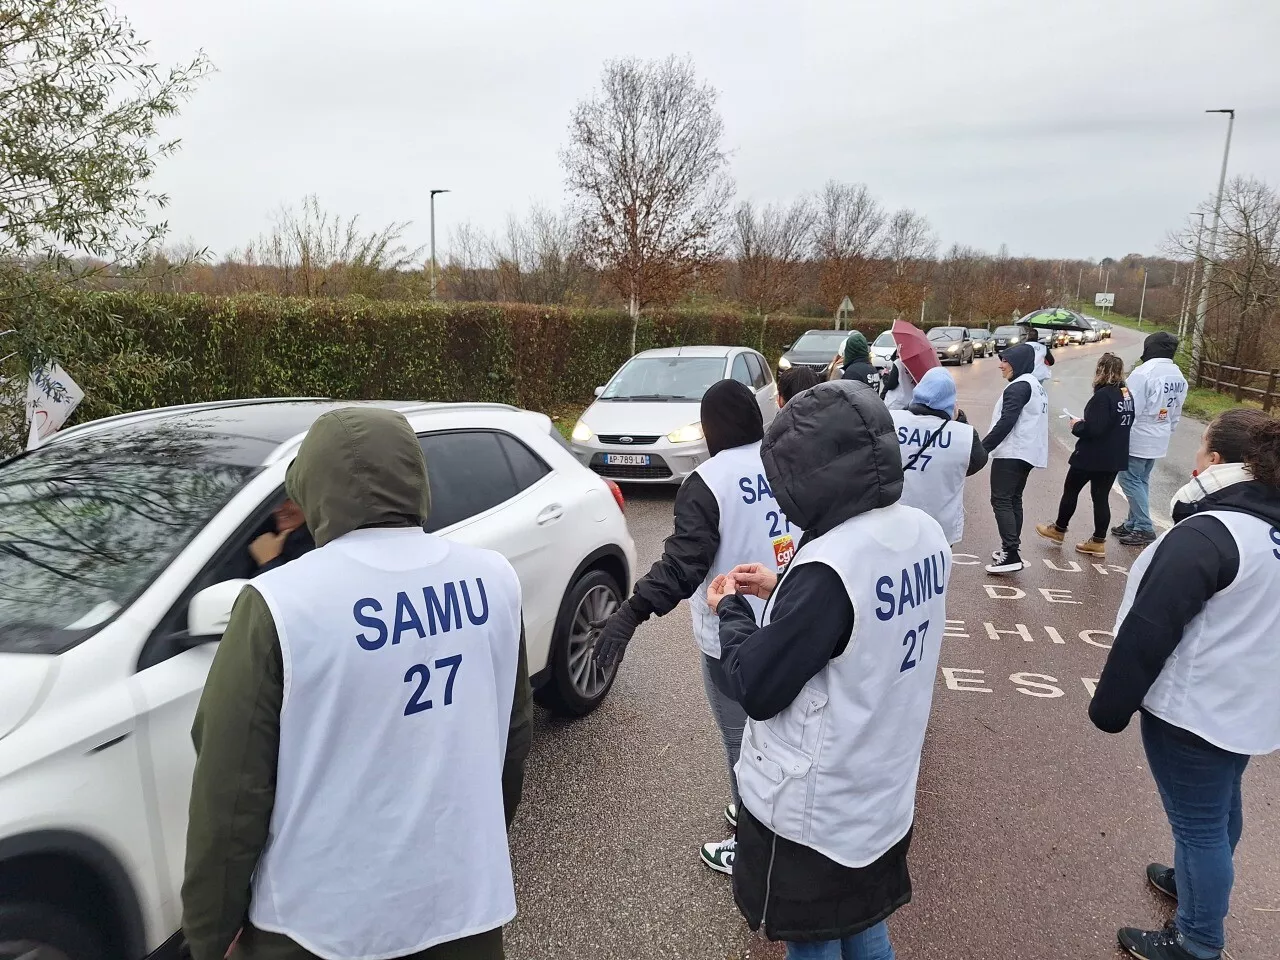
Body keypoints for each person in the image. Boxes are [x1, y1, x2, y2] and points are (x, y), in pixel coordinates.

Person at [182, 407, 532, 960]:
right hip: (466, 910)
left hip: (319, 925)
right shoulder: (493, 579)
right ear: (415, 477)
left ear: (316, 488)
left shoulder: (279, 604)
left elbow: (230, 789)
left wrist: (210, 931)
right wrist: (478, 846)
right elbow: (512, 736)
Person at [705, 379, 951, 960]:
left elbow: (757, 685)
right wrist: (783, 588)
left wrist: (732, 609)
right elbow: (857, 625)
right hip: (883, 787)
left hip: (818, 803)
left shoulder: (829, 570)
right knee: (863, 921)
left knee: (813, 939)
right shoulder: (923, 533)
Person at [1089, 410, 1280, 960]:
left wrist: (1111, 706)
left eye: (1200, 450)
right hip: (1249, 703)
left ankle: (1197, 939)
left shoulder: (1209, 533)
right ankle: (1189, 878)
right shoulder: (1270, 529)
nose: (1194, 459)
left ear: (1216, 461)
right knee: (1219, 805)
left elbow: (1151, 626)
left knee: (1198, 823)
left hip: (1193, 706)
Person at [591, 379, 800, 875]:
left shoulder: (707, 482)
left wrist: (631, 612)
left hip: (729, 632)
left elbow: (684, 567)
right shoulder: (785, 462)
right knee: (779, 733)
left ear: (709, 430)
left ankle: (755, 846)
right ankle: (766, 818)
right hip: (789, 613)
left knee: (742, 741)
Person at [1035, 352, 1133, 558]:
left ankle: (1059, 529)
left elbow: (1094, 430)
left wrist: (1077, 425)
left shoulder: (1102, 396)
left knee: (1071, 490)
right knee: (1101, 497)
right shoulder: (1126, 394)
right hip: (1115, 455)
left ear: (1100, 371)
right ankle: (1098, 541)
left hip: (1091, 455)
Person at [891, 367, 988, 544]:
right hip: (940, 522)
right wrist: (959, 418)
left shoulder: (893, 420)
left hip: (897, 515)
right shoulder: (964, 434)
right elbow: (976, 462)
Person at [1115, 332, 1187, 546]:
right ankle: (1132, 523)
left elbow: (1131, 407)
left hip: (1139, 434)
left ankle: (1144, 527)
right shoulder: (1177, 374)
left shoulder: (1144, 372)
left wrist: (1119, 433)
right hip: (1160, 434)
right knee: (1141, 480)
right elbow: (1177, 409)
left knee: (1128, 479)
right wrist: (1168, 429)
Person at [981, 343, 1048, 574]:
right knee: (1013, 499)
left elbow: (1007, 422)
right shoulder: (1035, 385)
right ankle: (1011, 550)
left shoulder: (1018, 387)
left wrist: (984, 448)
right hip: (1027, 452)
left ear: (1017, 363)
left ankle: (1011, 553)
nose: (1000, 365)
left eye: (1005, 361)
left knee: (1000, 500)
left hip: (1013, 451)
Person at [248, 498, 314, 573]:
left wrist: (270, 562)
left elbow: (296, 583)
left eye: (289, 500)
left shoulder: (319, 547)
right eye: (274, 502)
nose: (277, 509)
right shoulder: (263, 527)